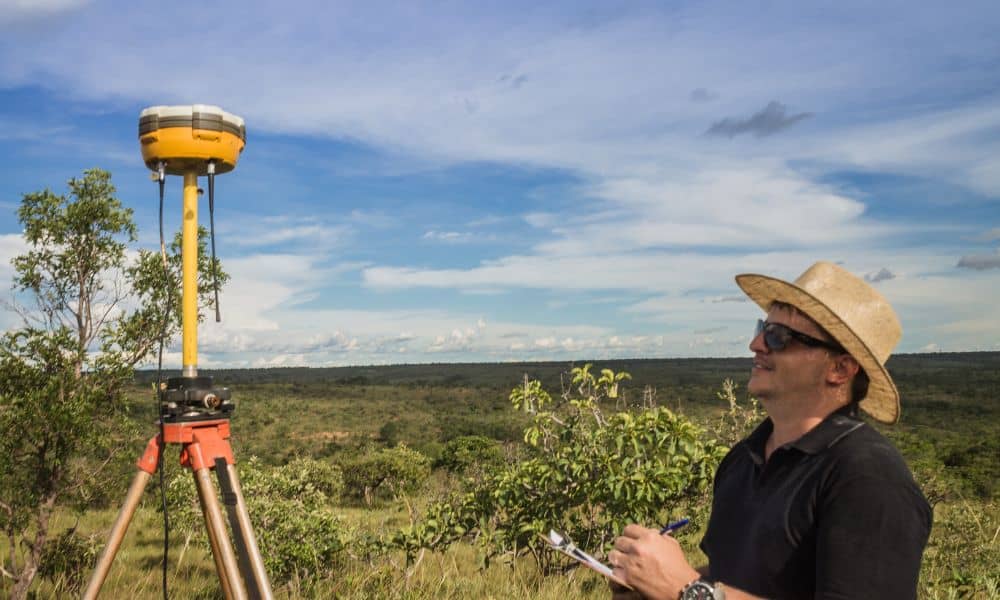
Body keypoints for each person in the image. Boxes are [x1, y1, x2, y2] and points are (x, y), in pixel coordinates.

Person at [607, 261, 932, 599]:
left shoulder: (867, 478)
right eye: (762, 327)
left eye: (779, 337)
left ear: (840, 368)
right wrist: (650, 582)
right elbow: (739, 576)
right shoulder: (743, 460)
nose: (756, 344)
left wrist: (687, 590)